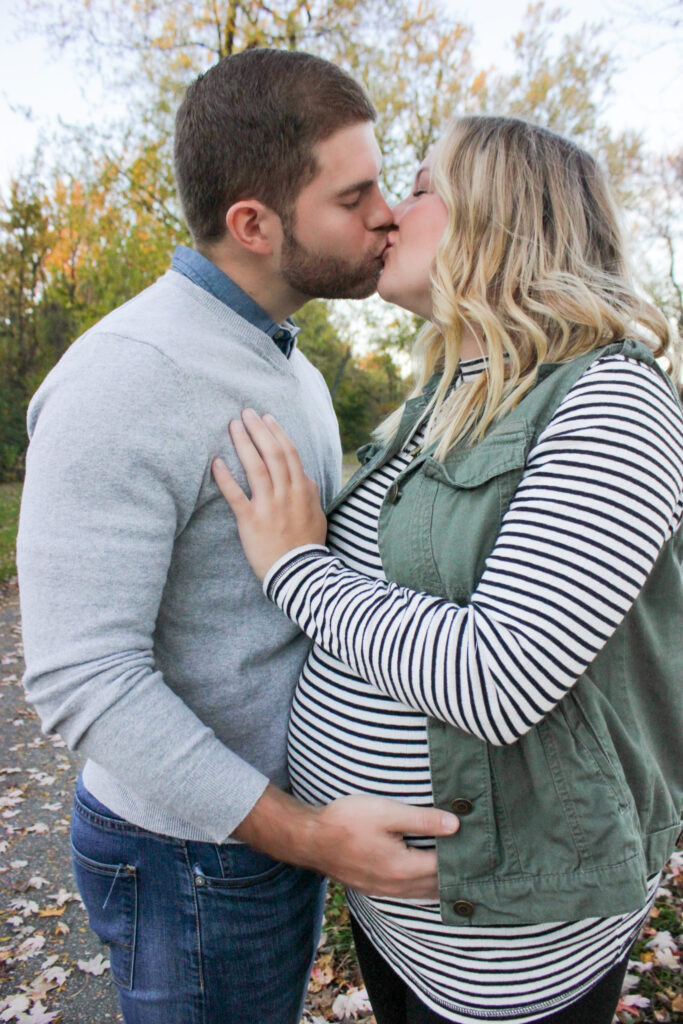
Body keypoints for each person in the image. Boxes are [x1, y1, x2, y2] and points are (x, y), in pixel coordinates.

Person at [16, 49, 459, 1024]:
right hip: (191, 861)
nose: (387, 211)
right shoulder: (126, 376)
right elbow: (79, 677)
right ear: (253, 223)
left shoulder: (286, 362)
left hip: (264, 841)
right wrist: (304, 834)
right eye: (355, 196)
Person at [213, 115, 683, 1024]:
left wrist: (294, 568)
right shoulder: (437, 400)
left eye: (420, 186)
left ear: (503, 217)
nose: (386, 214)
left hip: (503, 937)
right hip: (401, 920)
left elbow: (497, 677)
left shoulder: (610, 397)